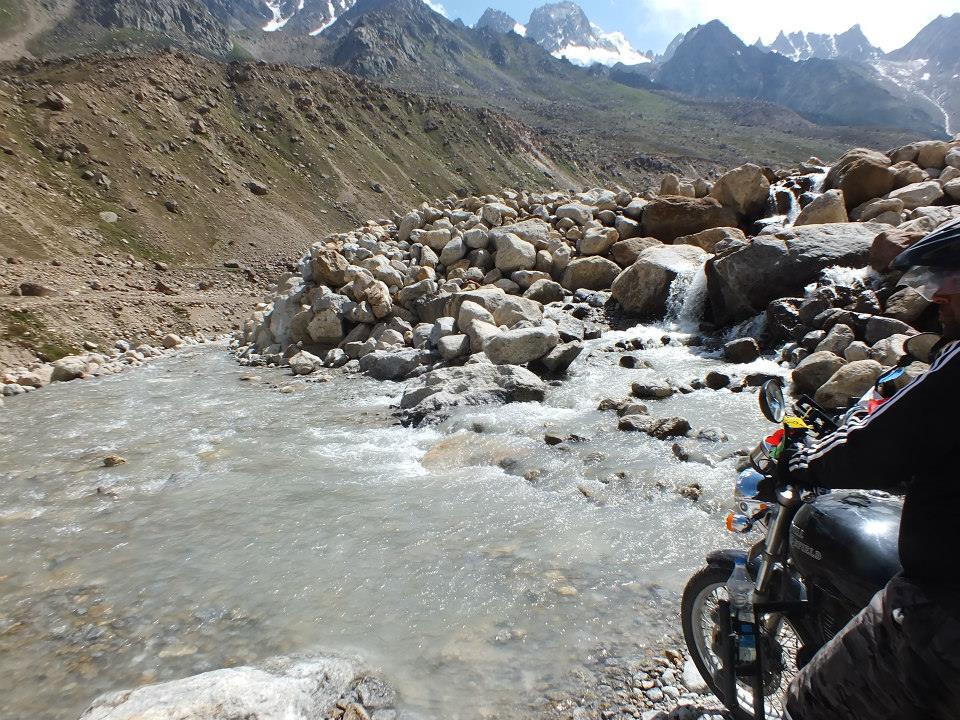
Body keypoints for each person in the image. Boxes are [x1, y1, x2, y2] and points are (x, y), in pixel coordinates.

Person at [781, 217, 960, 720]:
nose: (936, 296)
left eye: (949, 279)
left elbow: (885, 443)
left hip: (944, 610)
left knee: (809, 700)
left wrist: (805, 462)